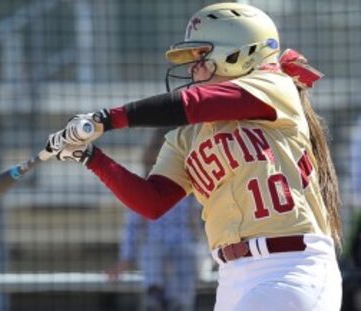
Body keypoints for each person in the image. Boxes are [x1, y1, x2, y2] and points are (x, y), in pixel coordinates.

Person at [46, 3, 343, 310]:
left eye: (201, 55)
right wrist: (89, 155)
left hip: (290, 265)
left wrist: (104, 119)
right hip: (231, 275)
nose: (192, 68)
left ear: (238, 52)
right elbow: (152, 202)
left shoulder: (274, 85)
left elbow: (192, 103)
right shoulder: (185, 137)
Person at [107, 129, 202, 311]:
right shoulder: (143, 188)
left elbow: (203, 224)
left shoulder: (191, 189)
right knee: (153, 249)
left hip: (185, 247)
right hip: (154, 250)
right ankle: (154, 296)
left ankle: (179, 303)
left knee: (187, 256)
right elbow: (132, 227)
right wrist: (126, 258)